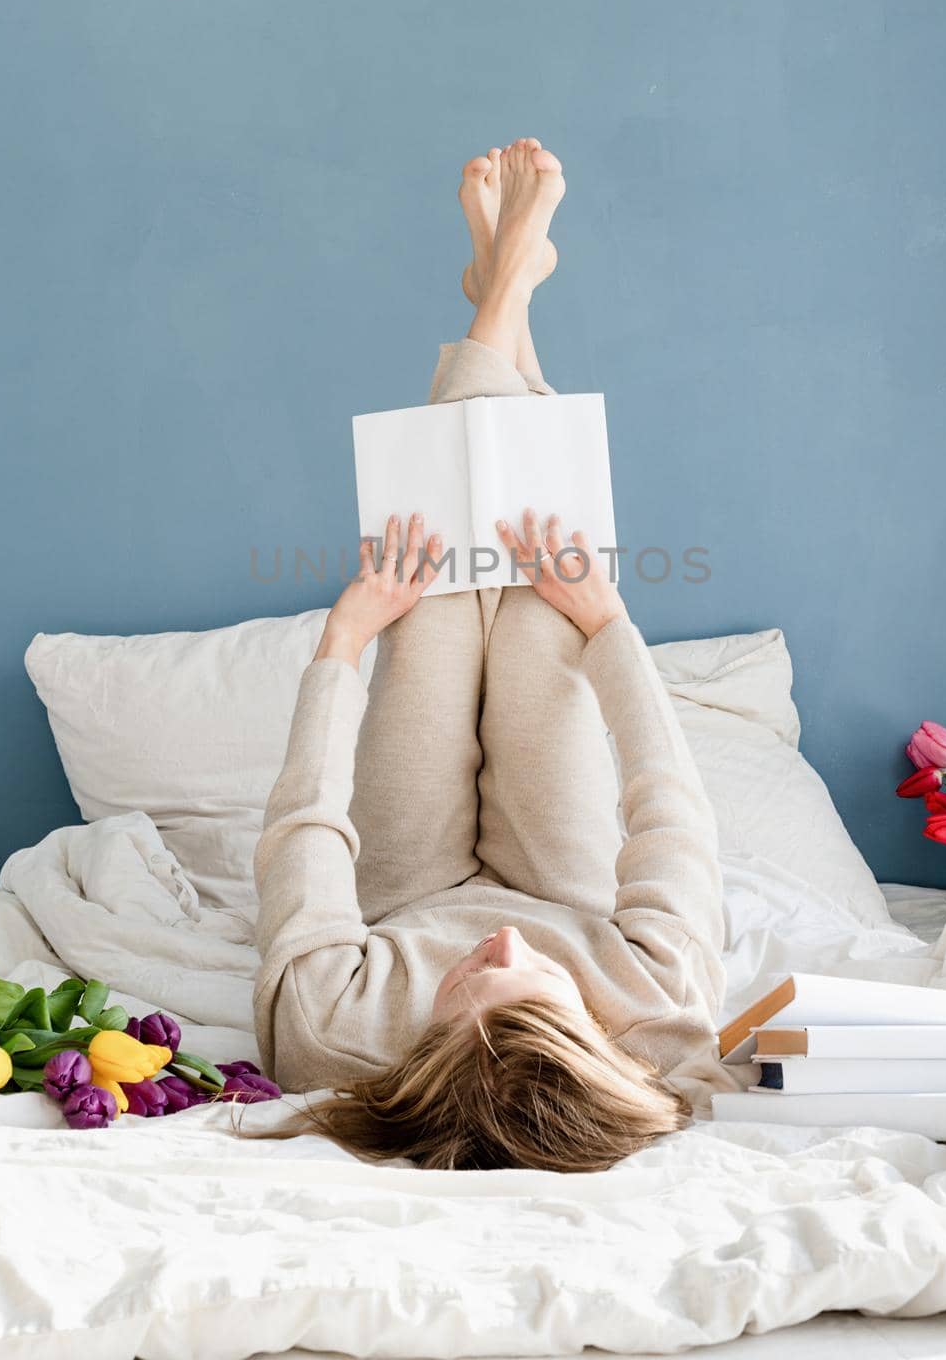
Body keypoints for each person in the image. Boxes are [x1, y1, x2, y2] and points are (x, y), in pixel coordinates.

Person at [253, 139, 733, 1171]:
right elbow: (667, 809)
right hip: (566, 880)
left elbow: (305, 828)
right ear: (593, 1030)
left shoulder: (334, 1032)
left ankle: (504, 290)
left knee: (427, 579)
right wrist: (610, 627)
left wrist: (343, 642)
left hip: (404, 886)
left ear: (424, 1038)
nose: (503, 948)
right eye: (535, 978)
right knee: (541, 580)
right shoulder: (659, 1009)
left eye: (473, 978)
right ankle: (504, 290)